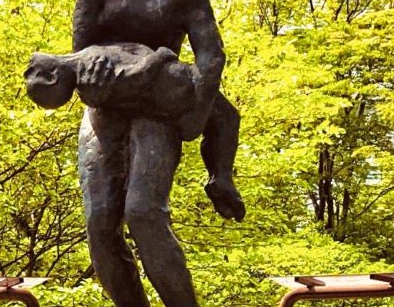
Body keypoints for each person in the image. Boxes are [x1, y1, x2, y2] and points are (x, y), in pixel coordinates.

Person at [63, 0, 239, 307]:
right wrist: (89, 65)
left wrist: (193, 117)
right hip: (104, 106)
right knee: (100, 227)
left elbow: (212, 55)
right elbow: (78, 45)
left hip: (157, 106)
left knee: (143, 211)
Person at [24, 44, 244, 223]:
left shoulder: (91, 64)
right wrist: (161, 55)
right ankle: (220, 178)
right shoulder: (91, 72)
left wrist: (158, 57)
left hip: (176, 90)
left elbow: (135, 71)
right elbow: (137, 69)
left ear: (53, 76)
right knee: (226, 120)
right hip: (177, 88)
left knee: (225, 121)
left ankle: (220, 178)